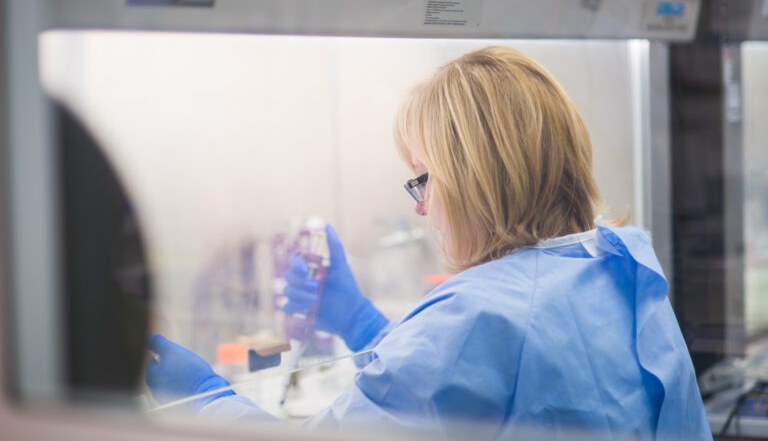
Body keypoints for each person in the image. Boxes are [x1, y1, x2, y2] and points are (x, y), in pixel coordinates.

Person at [146, 46, 712, 440]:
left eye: (424, 178)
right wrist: (364, 325)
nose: (420, 205)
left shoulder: (476, 314)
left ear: (476, 179)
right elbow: (474, 386)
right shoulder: (620, 263)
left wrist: (202, 396)